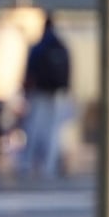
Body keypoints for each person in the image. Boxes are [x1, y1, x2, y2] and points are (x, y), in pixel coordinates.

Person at [20, 10, 71, 179]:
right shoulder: (61, 46)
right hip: (56, 93)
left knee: (34, 128)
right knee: (52, 130)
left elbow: (30, 70)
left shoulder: (39, 46)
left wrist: (25, 90)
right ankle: (49, 166)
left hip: (39, 92)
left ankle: (28, 163)